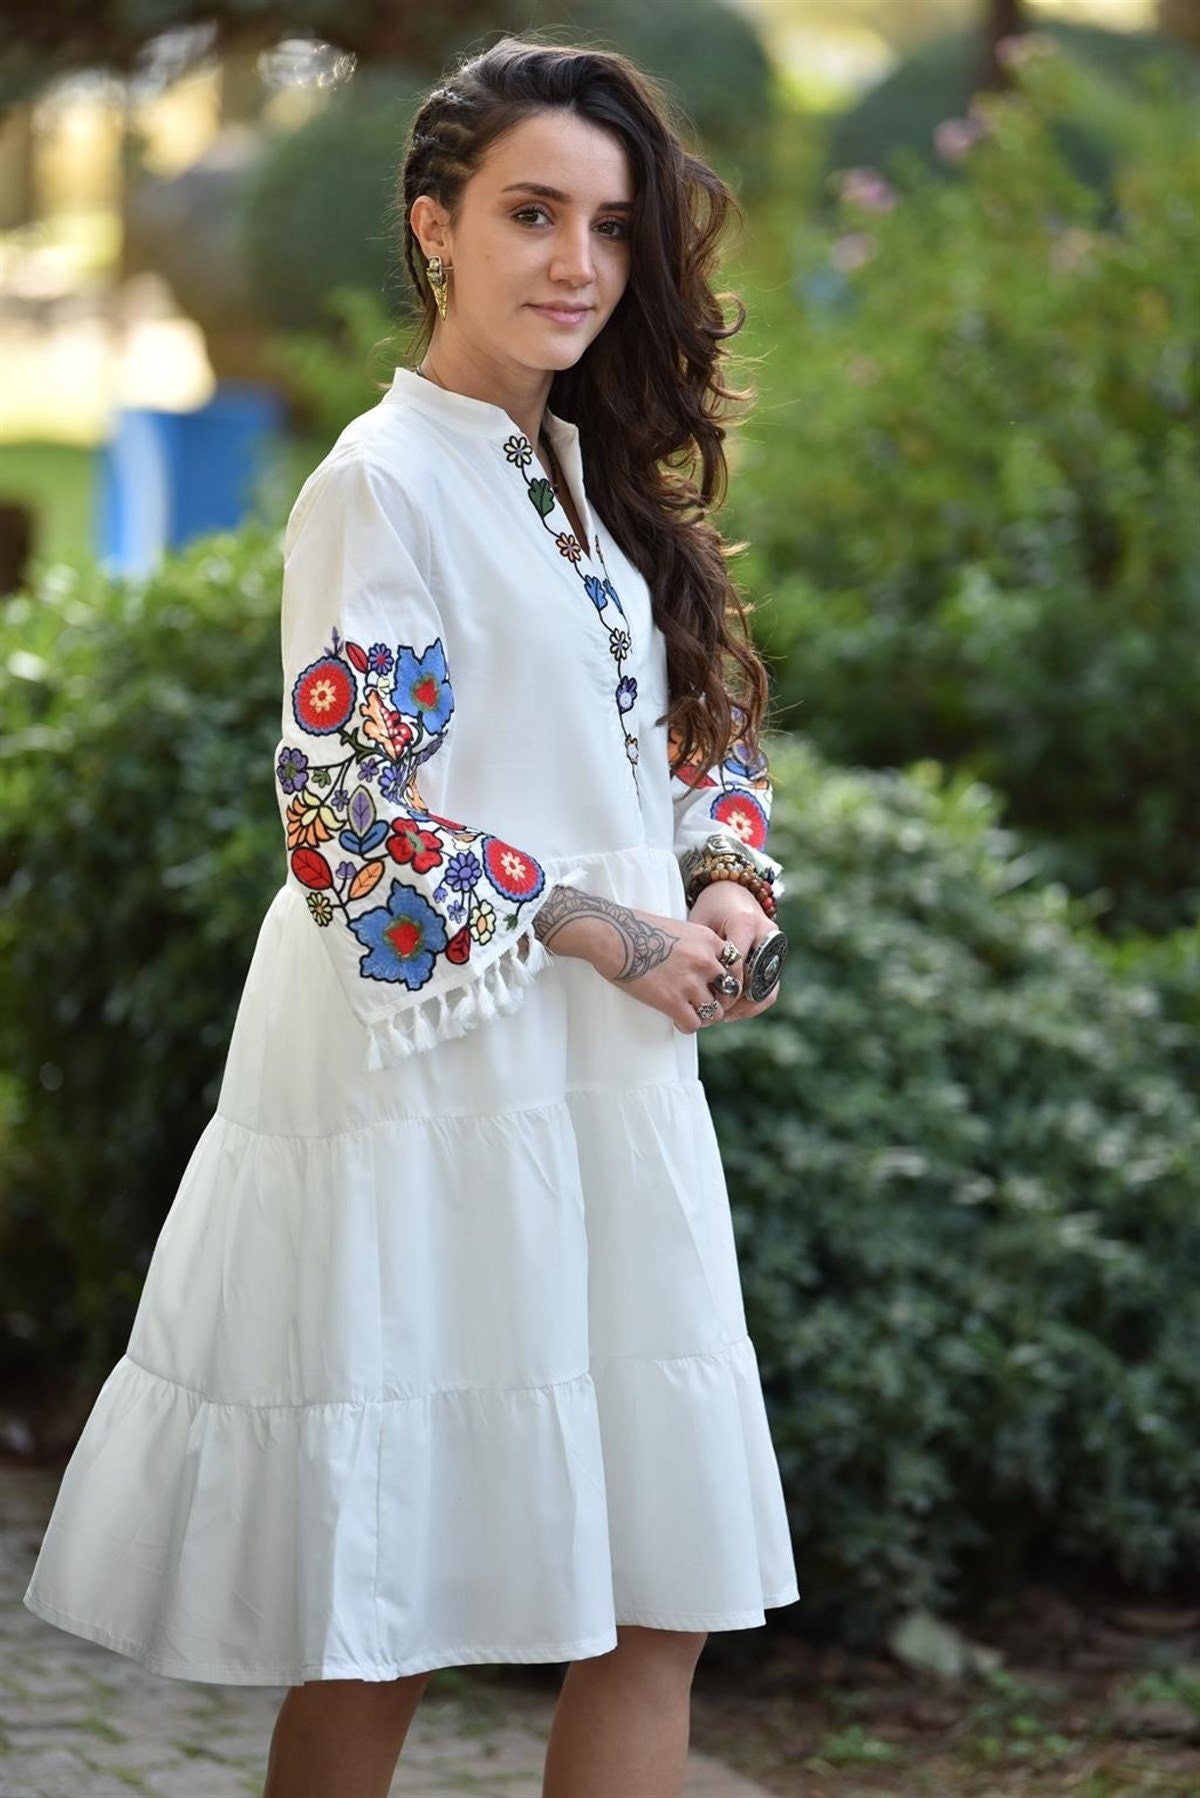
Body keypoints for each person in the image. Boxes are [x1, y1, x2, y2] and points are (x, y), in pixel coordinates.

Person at [22, 35, 799, 1798]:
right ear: (435, 226)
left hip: (605, 1087)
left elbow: (697, 736)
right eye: (533, 214)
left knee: (658, 1599)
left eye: (610, 226)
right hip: (432, 1092)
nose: (577, 264)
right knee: (399, 1601)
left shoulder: (599, 494)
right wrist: (607, 924)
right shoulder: (383, 481)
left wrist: (726, 875)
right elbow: (350, 834)